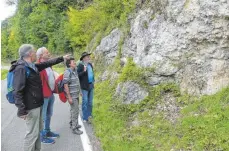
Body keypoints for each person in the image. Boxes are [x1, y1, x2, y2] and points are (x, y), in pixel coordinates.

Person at [12, 44, 70, 151]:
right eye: (34, 52)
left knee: (38, 132)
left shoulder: (32, 66)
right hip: (31, 106)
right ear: (30, 54)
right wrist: (21, 110)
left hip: (37, 104)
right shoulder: (21, 68)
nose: (35, 54)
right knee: (31, 134)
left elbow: (47, 63)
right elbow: (17, 90)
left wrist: (62, 58)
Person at [36, 47, 59, 144]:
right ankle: (42, 137)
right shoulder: (38, 66)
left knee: (49, 114)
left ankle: (47, 131)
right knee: (42, 117)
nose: (49, 53)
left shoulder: (48, 65)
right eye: (46, 52)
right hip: (43, 96)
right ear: (41, 55)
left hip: (50, 94)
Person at [64, 57, 83, 135]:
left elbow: (77, 81)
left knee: (75, 110)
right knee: (75, 111)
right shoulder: (68, 72)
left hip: (76, 95)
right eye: (73, 62)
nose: (75, 63)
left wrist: (80, 91)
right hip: (72, 96)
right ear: (69, 64)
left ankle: (73, 123)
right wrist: (69, 97)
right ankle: (74, 128)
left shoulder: (74, 70)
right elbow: (65, 85)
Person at [77, 52, 95, 123]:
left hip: (91, 85)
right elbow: (78, 75)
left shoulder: (90, 64)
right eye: (87, 56)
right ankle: (85, 117)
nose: (89, 57)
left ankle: (89, 114)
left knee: (90, 102)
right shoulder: (80, 66)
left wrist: (93, 81)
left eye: (89, 56)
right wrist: (84, 71)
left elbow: (92, 73)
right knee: (85, 102)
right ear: (84, 58)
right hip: (84, 86)